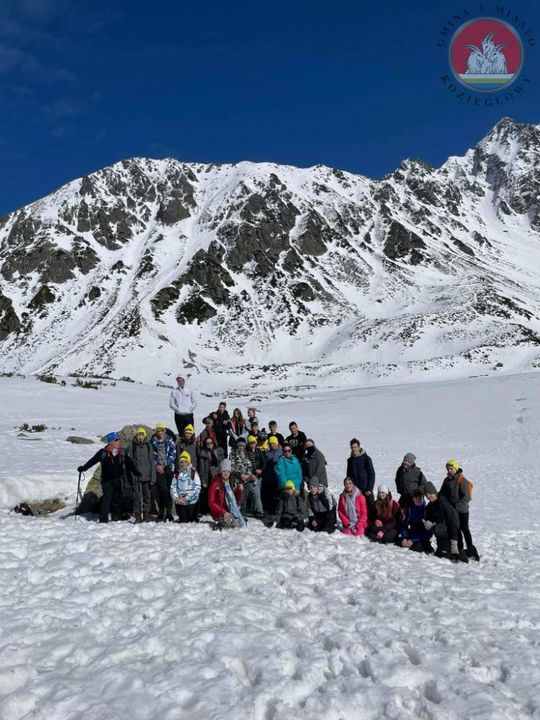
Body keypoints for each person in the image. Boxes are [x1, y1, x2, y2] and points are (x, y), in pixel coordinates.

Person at [77, 432, 134, 523]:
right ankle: (103, 520)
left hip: (118, 480)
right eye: (116, 440)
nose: (118, 441)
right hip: (107, 481)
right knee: (106, 500)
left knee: (117, 500)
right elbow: (93, 461)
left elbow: (129, 463)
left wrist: (135, 471)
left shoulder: (121, 452)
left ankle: (117, 518)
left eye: (118, 439)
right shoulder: (103, 452)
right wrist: (84, 468)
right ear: (111, 441)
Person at [439, 459, 479, 561]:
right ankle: (460, 550)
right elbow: (442, 493)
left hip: (462, 510)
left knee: (465, 529)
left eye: (451, 468)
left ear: (456, 468)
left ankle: (471, 550)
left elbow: (467, 497)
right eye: (448, 469)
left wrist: (457, 506)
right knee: (457, 530)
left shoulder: (462, 480)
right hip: (453, 510)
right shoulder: (447, 480)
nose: (450, 470)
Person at [424, 481, 462, 562]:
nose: (428, 496)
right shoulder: (430, 506)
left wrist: (454, 543)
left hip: (451, 535)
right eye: (426, 495)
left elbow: (453, 523)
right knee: (439, 555)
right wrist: (428, 522)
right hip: (440, 536)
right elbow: (428, 517)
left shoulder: (444, 504)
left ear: (434, 492)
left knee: (449, 556)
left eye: (430, 493)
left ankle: (468, 553)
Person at [125, 427, 156, 522]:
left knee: (147, 496)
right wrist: (132, 475)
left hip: (147, 476)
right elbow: (129, 462)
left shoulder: (149, 446)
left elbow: (152, 462)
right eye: (139, 435)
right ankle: (138, 516)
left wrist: (153, 477)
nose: (140, 437)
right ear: (136, 436)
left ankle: (146, 515)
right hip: (136, 477)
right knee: (137, 497)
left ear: (145, 436)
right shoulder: (132, 446)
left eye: (142, 435)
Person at [208, 459, 245, 528]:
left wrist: (239, 490)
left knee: (239, 524)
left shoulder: (231, 482)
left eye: (228, 471)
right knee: (233, 525)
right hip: (220, 513)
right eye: (224, 471)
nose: (226, 474)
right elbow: (211, 502)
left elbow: (236, 500)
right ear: (221, 472)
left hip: (231, 511)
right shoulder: (215, 483)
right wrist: (223, 512)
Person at [231, 437, 263, 516]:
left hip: (246, 478)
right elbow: (232, 466)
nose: (241, 447)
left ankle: (244, 512)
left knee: (246, 495)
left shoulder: (246, 453)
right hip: (237, 478)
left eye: (242, 445)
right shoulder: (233, 453)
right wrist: (240, 475)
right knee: (239, 494)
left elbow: (250, 465)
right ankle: (237, 512)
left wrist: (248, 474)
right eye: (239, 445)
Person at [150, 422, 175, 521]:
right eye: (158, 431)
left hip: (168, 467)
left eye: (161, 430)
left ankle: (169, 512)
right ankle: (161, 511)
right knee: (162, 490)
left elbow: (173, 453)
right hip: (158, 468)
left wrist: (165, 464)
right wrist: (157, 465)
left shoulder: (169, 440)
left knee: (169, 490)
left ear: (164, 431)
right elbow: (151, 455)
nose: (160, 432)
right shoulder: (153, 441)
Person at [170, 450, 201, 523]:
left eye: (185, 462)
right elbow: (173, 488)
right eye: (182, 462)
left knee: (191, 521)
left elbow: (197, 487)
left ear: (188, 462)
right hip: (181, 502)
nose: (183, 464)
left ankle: (194, 516)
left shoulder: (193, 473)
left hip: (191, 501)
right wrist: (177, 499)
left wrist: (187, 498)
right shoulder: (177, 474)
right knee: (183, 521)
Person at [197, 436, 224, 514]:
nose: (209, 445)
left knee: (218, 493)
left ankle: (218, 509)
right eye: (207, 443)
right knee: (209, 494)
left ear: (213, 443)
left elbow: (223, 463)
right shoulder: (203, 454)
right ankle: (206, 510)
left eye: (211, 443)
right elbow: (201, 468)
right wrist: (203, 481)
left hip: (219, 475)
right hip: (208, 476)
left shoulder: (219, 451)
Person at [346, 438, 375, 508]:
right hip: (355, 491)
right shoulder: (350, 460)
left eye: (355, 447)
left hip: (366, 490)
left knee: (371, 509)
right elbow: (348, 476)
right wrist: (349, 487)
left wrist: (369, 488)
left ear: (359, 447)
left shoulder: (366, 459)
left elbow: (372, 474)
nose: (354, 449)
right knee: (357, 510)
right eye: (352, 447)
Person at [261, 438, 283, 515]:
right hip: (269, 476)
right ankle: (269, 510)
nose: (272, 445)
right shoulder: (267, 454)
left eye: (274, 443)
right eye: (270, 444)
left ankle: (277, 510)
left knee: (277, 494)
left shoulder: (282, 452)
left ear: (277, 443)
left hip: (278, 476)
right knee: (269, 493)